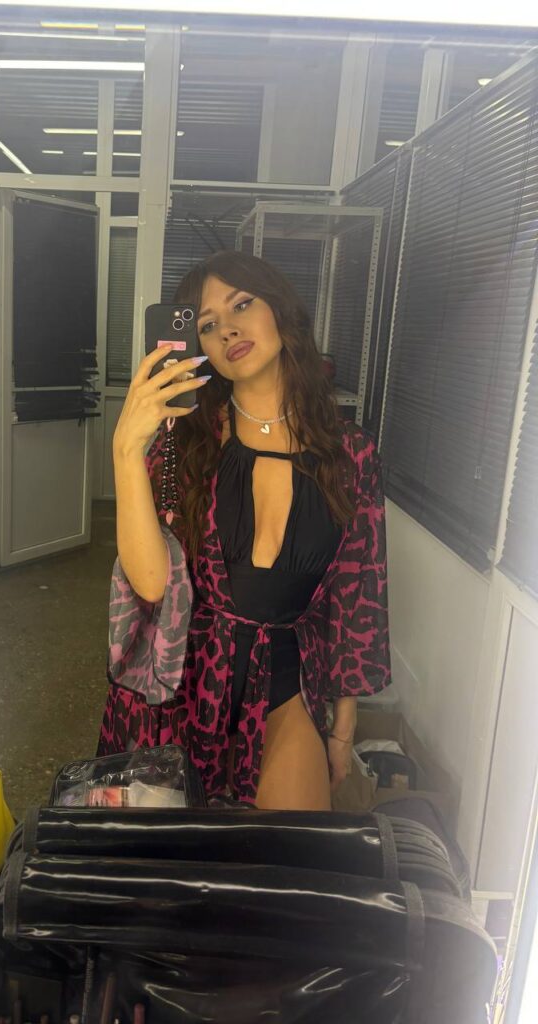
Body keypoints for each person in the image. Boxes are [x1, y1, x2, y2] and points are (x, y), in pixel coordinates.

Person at [97, 251, 392, 809]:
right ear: (200, 349)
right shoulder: (185, 444)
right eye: (208, 324)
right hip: (185, 680)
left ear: (279, 308)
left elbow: (358, 597)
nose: (227, 329)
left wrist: (342, 728)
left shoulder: (351, 455)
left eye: (241, 304)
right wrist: (125, 450)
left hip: (284, 678)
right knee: (177, 858)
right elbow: (152, 585)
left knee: (291, 852)